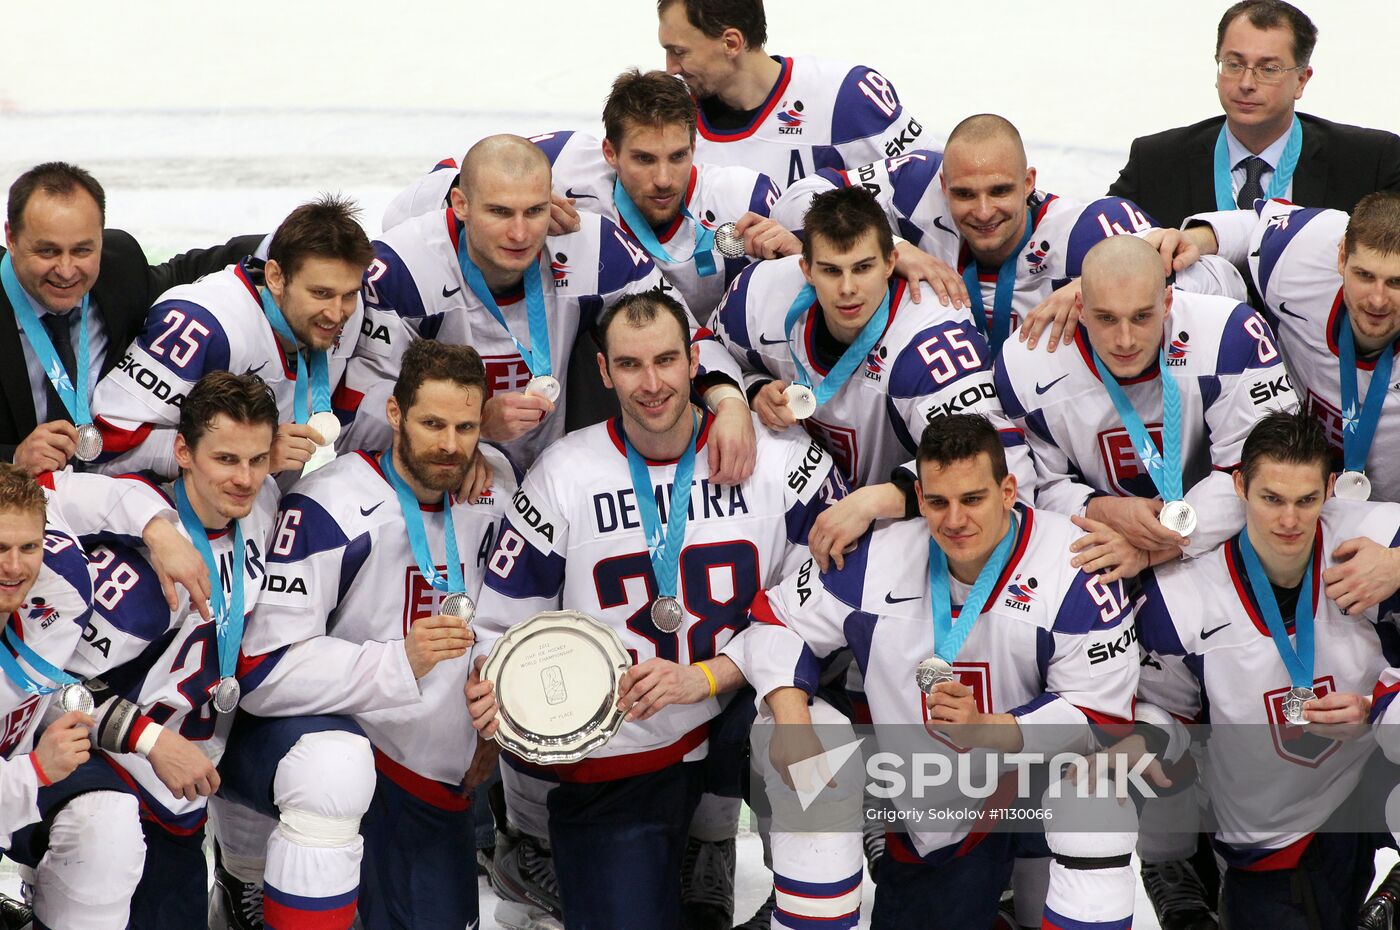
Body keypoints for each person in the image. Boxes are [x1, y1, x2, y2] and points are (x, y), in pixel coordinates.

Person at [467, 290, 848, 929]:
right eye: (631, 365)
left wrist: (710, 675)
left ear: (694, 361)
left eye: (668, 361)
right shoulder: (565, 472)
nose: (652, 383)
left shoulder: (779, 458)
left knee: (825, 745)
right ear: (602, 371)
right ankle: (655, 852)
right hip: (626, 742)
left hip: (739, 711)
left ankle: (782, 898)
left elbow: (830, 600)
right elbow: (506, 621)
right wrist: (491, 678)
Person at [725, 413, 1140, 929]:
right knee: (802, 734)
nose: (955, 520)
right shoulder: (876, 556)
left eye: (973, 499)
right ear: (918, 499)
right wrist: (791, 722)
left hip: (1034, 778)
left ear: (1009, 491)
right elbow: (776, 619)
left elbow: (1098, 717)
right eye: (939, 502)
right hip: (935, 796)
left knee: (1097, 794)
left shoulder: (1075, 565)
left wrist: (981, 727)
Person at [213, 340, 512, 930]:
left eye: (465, 426)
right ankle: (246, 871)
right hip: (356, 758)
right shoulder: (330, 504)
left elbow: (515, 615)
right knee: (333, 781)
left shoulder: (496, 486)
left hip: (444, 778)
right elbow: (262, 671)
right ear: (395, 413)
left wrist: (498, 723)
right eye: (431, 423)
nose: (449, 444)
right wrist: (398, 661)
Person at [1134, 411, 1400, 930]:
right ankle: (1176, 878)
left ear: (1330, 488)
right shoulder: (1179, 601)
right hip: (1274, 821)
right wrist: (1143, 743)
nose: (1289, 522)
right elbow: (1168, 717)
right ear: (1239, 486)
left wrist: (1377, 706)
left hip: (1373, 769)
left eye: (1306, 501)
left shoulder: (1375, 537)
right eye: (1271, 499)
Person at [364, 134, 755, 479]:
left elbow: (683, 333)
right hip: (444, 473)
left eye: (534, 211)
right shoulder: (403, 268)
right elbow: (357, 417)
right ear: (460, 204)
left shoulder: (593, 246)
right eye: (500, 212)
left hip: (560, 476)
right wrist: (470, 428)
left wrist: (731, 403)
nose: (519, 233)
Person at [41, 371, 281, 928]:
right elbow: (50, 688)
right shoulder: (135, 571)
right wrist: (151, 741)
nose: (244, 479)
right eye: (225, 459)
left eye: (258, 459)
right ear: (183, 451)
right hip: (111, 778)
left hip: (182, 798)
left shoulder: (262, 505)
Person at [771, 114, 1248, 357]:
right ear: (943, 185)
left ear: (1029, 182)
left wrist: (1105, 279)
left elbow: (1225, 283)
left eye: (1000, 191)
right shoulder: (914, 182)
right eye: (964, 194)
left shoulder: (1086, 231)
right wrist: (892, 246)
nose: (982, 212)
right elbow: (795, 201)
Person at [381, 69, 799, 322]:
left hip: (699, 358)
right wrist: (516, 201)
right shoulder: (562, 159)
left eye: (678, 156)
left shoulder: (747, 195)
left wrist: (798, 251)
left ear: (695, 147)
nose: (664, 179)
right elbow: (403, 210)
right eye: (643, 159)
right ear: (609, 153)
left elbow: (836, 269)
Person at [995, 234, 1298, 573]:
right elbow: (1038, 486)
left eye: (1141, 317)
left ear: (1167, 303)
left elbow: (1261, 475)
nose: (1125, 340)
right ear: (1080, 308)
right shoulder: (1024, 364)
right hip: (1095, 540)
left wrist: (1155, 550)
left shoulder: (1230, 334)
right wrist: (1097, 509)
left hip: (1220, 543)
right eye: (1106, 318)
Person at [90, 194, 406, 480]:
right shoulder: (201, 324)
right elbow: (100, 452)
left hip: (253, 517)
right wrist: (254, 456)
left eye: (348, 294)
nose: (337, 313)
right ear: (275, 277)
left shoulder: (352, 312)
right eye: (320, 293)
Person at [1, 162, 263, 475]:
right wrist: (12, 458)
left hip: (102, 493)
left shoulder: (119, 268)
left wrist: (281, 247)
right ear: (11, 238)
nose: (67, 270)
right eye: (47, 252)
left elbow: (188, 270)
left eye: (83, 250)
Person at [1179, 191, 1400, 509]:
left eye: (1396, 282)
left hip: (1384, 521)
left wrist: (1393, 559)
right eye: (1364, 275)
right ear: (1341, 258)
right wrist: (1193, 241)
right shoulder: (1300, 251)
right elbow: (1254, 225)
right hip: (1277, 496)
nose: (1377, 300)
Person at [1107, 1, 1400, 230]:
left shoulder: (1370, 162)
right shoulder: (1157, 161)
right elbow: (1098, 238)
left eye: (1268, 69)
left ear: (1301, 80)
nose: (1246, 83)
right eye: (1233, 64)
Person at [0, 463, 142, 930]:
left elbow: (89, 494)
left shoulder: (63, 593)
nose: (15, 566)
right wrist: (36, 770)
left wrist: (161, 530)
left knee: (109, 827)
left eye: (28, 547)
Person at [656, 0, 927, 189]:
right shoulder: (668, 115)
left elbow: (934, 181)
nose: (670, 68)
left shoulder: (844, 96)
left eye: (679, 52)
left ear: (731, 43)